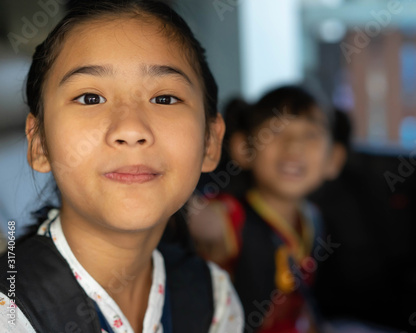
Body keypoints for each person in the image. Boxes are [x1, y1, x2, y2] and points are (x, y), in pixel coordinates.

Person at [0, 1, 244, 332]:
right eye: (90, 98)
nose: (131, 129)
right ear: (40, 143)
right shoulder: (10, 312)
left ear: (210, 142)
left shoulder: (213, 298)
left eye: (164, 99)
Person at [188, 86, 339, 333]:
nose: (294, 146)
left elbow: (301, 303)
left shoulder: (312, 219)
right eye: (276, 131)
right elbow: (191, 216)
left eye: (311, 135)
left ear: (333, 160)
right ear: (244, 149)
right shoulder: (228, 215)